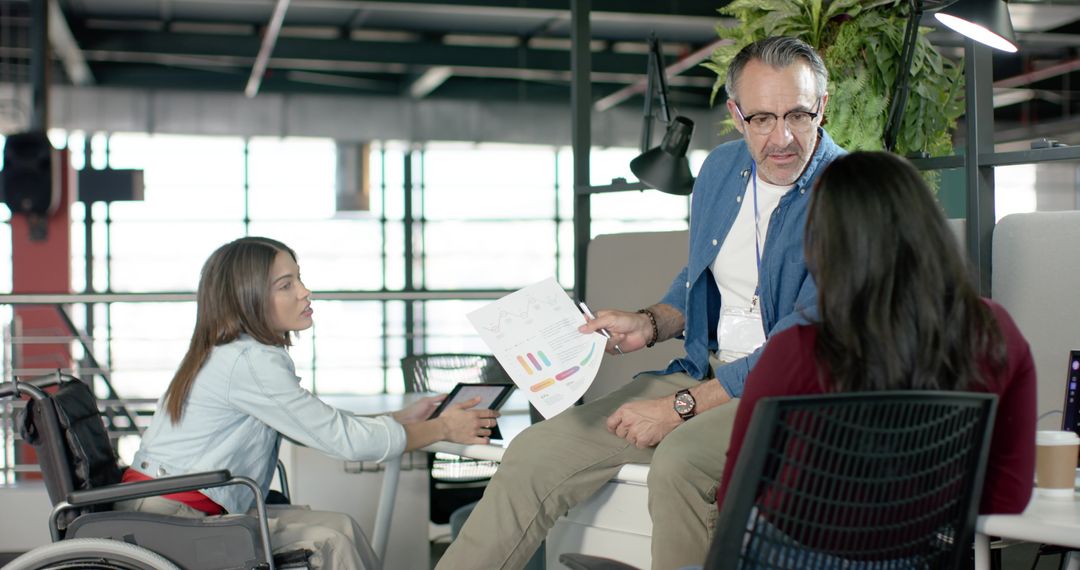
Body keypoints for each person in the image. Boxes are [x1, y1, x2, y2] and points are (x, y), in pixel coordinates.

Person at [438, 36, 846, 570]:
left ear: (823, 105)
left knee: (679, 461)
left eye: (797, 114)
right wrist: (650, 322)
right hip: (704, 370)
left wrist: (682, 407)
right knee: (534, 451)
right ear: (735, 114)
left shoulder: (850, 191)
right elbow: (704, 279)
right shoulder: (722, 171)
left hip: (789, 393)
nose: (783, 138)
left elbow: (806, 344)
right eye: (762, 119)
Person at [716, 151, 1036, 558]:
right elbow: (1007, 496)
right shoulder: (993, 333)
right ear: (929, 228)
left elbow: (735, 500)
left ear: (824, 244)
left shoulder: (795, 351)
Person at [118, 236, 499, 570]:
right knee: (332, 541)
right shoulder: (249, 361)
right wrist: (444, 428)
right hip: (174, 516)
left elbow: (313, 424)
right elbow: (344, 441)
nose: (304, 292)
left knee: (342, 528)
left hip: (169, 507)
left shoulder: (232, 351)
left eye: (298, 278)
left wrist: (398, 418)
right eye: (286, 285)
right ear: (247, 297)